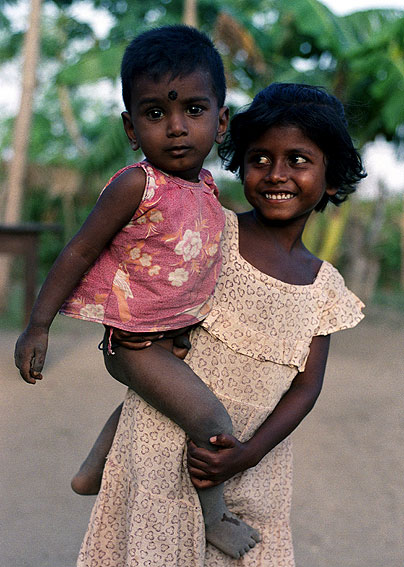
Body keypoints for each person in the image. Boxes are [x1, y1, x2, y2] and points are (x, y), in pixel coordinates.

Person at [71, 82, 366, 566]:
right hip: (162, 449)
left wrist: (247, 454)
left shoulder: (325, 288)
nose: (276, 173)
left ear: (332, 179)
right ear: (240, 164)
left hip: (252, 461)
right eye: (260, 159)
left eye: (298, 160)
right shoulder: (210, 230)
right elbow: (141, 298)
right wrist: (118, 337)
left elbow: (306, 389)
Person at [14, 25, 263, 560]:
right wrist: (38, 325)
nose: (176, 128)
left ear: (221, 121)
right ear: (131, 127)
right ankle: (215, 518)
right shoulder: (136, 185)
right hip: (133, 343)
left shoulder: (207, 188)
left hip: (169, 336)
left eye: (193, 111)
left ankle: (90, 473)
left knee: (148, 404)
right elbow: (79, 251)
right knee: (211, 420)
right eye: (155, 114)